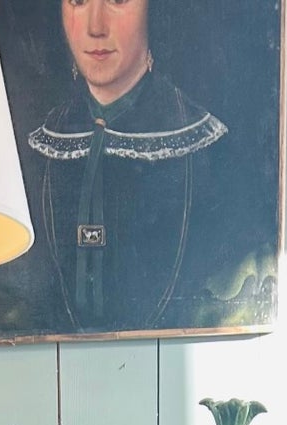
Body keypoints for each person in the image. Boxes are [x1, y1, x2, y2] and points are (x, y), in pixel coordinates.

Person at [27, 0, 229, 333]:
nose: (96, 26)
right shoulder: (40, 145)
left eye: (118, 1)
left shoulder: (205, 145)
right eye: (78, 1)